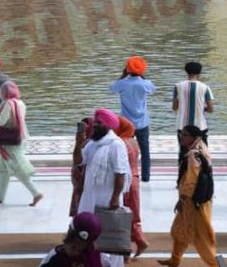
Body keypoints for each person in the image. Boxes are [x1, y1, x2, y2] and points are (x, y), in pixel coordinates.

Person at [74, 108, 131, 267]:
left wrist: (114, 198)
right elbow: (79, 161)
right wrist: (78, 144)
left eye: (99, 123)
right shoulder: (92, 143)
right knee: (86, 231)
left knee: (110, 236)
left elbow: (121, 173)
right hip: (90, 195)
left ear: (108, 125)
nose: (95, 125)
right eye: (95, 122)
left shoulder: (116, 145)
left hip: (108, 197)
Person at [157, 125, 217, 267]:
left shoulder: (193, 154)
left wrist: (182, 199)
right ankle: (175, 259)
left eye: (184, 135)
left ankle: (216, 264)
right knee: (179, 229)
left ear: (193, 138)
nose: (181, 137)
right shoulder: (201, 146)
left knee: (202, 238)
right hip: (194, 200)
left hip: (194, 202)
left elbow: (191, 180)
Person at [0, 80, 43, 205]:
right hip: (19, 137)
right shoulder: (20, 103)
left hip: (8, 142)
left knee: (16, 169)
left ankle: (36, 193)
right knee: (2, 170)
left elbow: (1, 122)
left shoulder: (8, 104)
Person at [109, 56, 156, 182]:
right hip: (142, 123)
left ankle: (126, 173)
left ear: (127, 69)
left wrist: (123, 76)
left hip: (126, 123)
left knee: (124, 150)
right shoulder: (146, 84)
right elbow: (153, 89)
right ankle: (146, 177)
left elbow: (111, 89)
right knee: (145, 151)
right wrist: (142, 77)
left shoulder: (122, 84)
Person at [115, 115, 149, 260]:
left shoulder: (121, 143)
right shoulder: (133, 141)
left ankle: (125, 252)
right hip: (134, 180)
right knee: (132, 215)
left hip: (126, 183)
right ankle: (139, 240)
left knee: (122, 217)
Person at [39, 211, 114, 266]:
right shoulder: (100, 258)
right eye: (73, 247)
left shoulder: (55, 256)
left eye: (78, 249)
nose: (73, 252)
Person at [173, 61, 214, 150]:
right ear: (199, 73)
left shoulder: (177, 86)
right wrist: (203, 108)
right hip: (200, 126)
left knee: (184, 154)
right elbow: (211, 109)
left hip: (182, 127)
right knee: (202, 154)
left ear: (186, 72)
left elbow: (175, 107)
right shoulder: (205, 87)